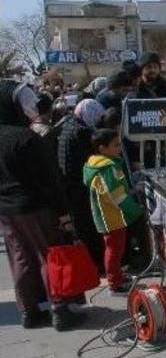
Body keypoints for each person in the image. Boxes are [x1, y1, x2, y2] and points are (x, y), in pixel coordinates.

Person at [0, 80, 87, 331]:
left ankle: (28, 311)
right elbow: (50, 178)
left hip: (7, 210)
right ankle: (59, 309)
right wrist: (62, 212)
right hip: (36, 206)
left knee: (20, 258)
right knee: (49, 255)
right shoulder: (26, 137)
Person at [84, 128, 143, 294]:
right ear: (103, 149)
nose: (119, 148)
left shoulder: (94, 164)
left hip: (106, 214)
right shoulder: (109, 168)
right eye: (116, 145)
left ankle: (116, 276)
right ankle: (114, 283)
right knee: (114, 249)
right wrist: (135, 210)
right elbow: (117, 195)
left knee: (115, 248)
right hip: (111, 215)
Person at [57, 99, 106, 273]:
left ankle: (88, 264)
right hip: (80, 186)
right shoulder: (81, 132)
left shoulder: (68, 126)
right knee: (89, 226)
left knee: (81, 226)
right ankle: (95, 264)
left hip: (69, 185)